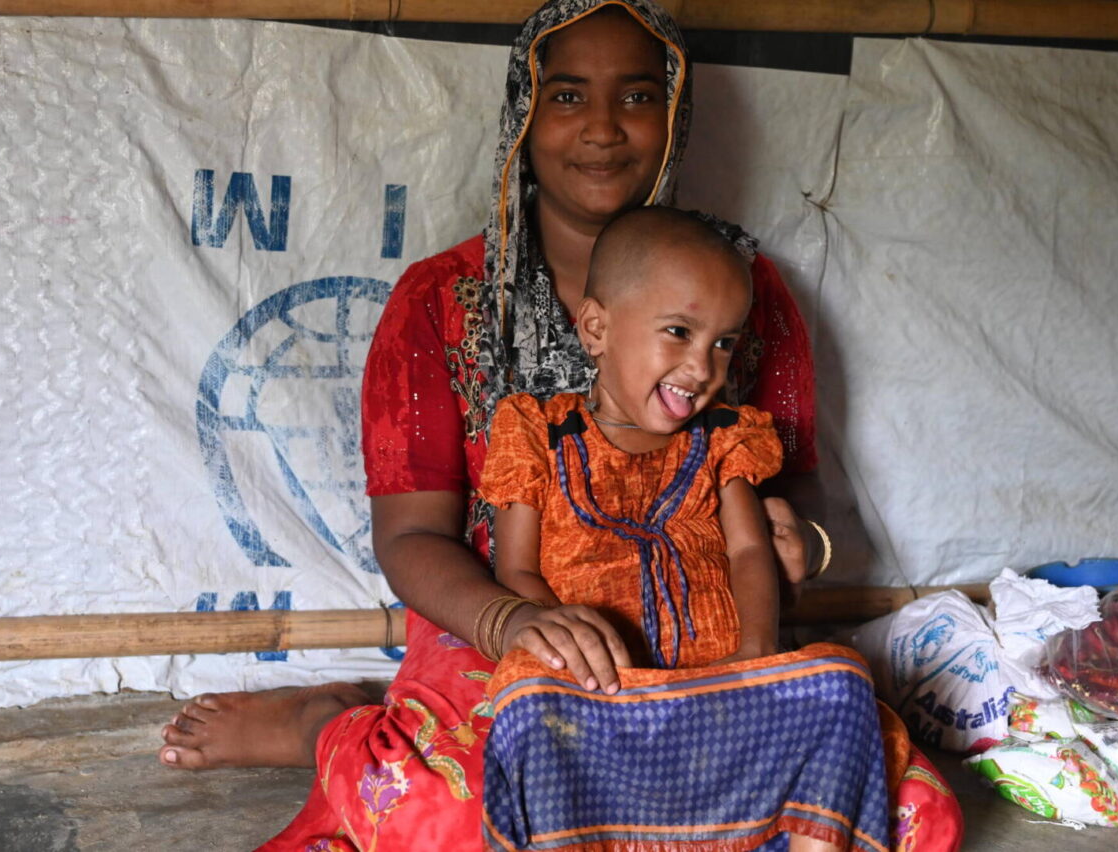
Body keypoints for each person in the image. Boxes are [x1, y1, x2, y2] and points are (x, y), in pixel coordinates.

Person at [158, 2, 962, 850]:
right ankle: (329, 727)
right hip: (506, 623)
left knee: (906, 819)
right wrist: (511, 622)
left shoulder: (744, 293)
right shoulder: (441, 303)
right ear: (523, 114)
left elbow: (801, 493)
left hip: (708, 637)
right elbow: (412, 537)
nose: (605, 131)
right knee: (457, 819)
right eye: (569, 96)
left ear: (678, 111)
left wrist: (806, 538)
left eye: (641, 96)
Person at [478, 206, 889, 851]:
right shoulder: (536, 433)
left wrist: (756, 654)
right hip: (606, 702)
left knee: (843, 680)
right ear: (596, 328)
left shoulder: (726, 439)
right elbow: (516, 571)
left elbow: (750, 550)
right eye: (678, 332)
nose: (703, 368)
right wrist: (569, 656)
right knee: (527, 699)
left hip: (720, 692)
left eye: (723, 342)